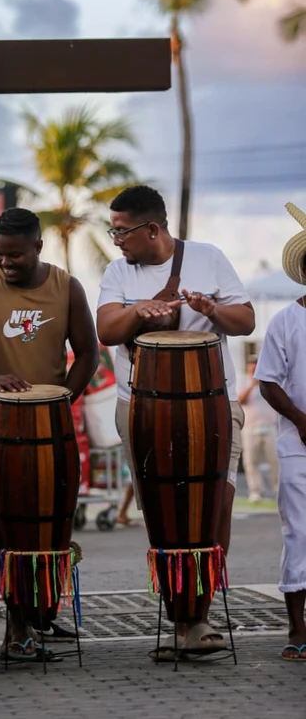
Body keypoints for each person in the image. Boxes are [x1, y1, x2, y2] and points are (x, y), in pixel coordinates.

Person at [96, 185, 255, 657]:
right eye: (112, 230)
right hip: (142, 407)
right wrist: (136, 311)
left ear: (152, 229)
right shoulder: (117, 271)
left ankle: (198, 615)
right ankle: (180, 617)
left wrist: (211, 309)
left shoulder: (208, 257)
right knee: (162, 512)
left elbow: (245, 321)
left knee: (217, 506)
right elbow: (106, 329)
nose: (115, 240)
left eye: (122, 231)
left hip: (213, 405)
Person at [0, 207, 99, 660]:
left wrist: (62, 400)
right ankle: (16, 617)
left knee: (49, 518)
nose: (5, 262)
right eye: (0, 253)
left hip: (50, 422)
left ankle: (37, 612)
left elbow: (88, 354)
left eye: (15, 254)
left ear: (38, 246)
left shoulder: (67, 287)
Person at [255, 201, 306, 661]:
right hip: (298, 447)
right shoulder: (286, 321)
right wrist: (301, 420)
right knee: (300, 535)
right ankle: (297, 630)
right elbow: (268, 381)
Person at [239, 355, 279, 503]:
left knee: (275, 460)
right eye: (252, 367)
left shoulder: (269, 382)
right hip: (250, 427)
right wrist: (251, 385)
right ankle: (255, 491)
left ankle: (278, 489)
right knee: (251, 462)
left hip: (269, 426)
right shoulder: (242, 382)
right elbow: (241, 400)